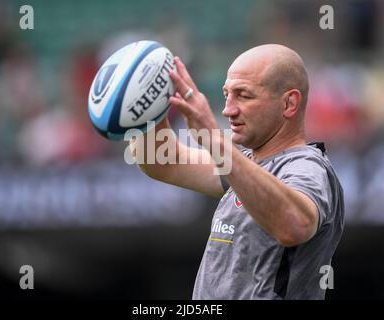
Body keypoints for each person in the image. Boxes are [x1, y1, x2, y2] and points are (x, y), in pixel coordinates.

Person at [130, 44, 344, 300]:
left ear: (289, 103)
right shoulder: (245, 166)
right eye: (227, 94)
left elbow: (295, 226)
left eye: (243, 95)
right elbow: (160, 162)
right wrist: (148, 103)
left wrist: (212, 138)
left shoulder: (307, 166)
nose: (227, 110)